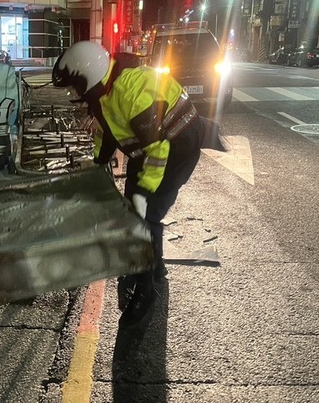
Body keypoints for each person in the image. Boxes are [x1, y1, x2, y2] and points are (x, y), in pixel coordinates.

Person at [52, 41, 209, 328]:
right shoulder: (102, 93)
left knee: (145, 217)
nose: (75, 93)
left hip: (178, 146)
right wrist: (98, 165)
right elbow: (109, 132)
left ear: (88, 76)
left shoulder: (131, 91)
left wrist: (146, 192)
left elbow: (158, 150)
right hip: (147, 147)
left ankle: (146, 292)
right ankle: (155, 264)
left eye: (76, 86)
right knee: (132, 211)